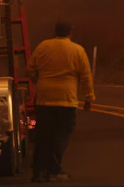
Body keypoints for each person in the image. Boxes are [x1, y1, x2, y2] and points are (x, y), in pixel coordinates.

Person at [27, 21, 96, 182]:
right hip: (66, 99)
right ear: (70, 33)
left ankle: (38, 171)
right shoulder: (77, 50)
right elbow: (85, 76)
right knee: (60, 135)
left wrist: (38, 80)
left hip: (44, 99)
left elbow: (30, 68)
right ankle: (54, 169)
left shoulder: (43, 47)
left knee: (43, 135)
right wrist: (89, 98)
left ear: (55, 32)